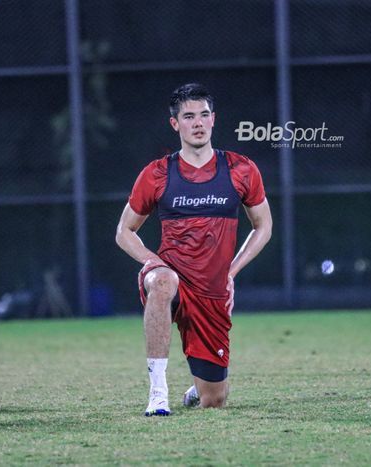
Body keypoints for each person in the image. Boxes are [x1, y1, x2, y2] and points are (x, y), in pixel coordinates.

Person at [115, 83, 272, 416]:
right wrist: (152, 262)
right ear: (175, 124)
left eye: (203, 115)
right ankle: (157, 394)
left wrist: (231, 272)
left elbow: (264, 226)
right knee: (162, 282)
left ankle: (202, 384)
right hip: (168, 275)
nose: (197, 122)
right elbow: (124, 232)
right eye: (188, 116)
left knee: (214, 400)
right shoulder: (157, 173)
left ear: (214, 120)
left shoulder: (240, 169)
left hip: (211, 290)